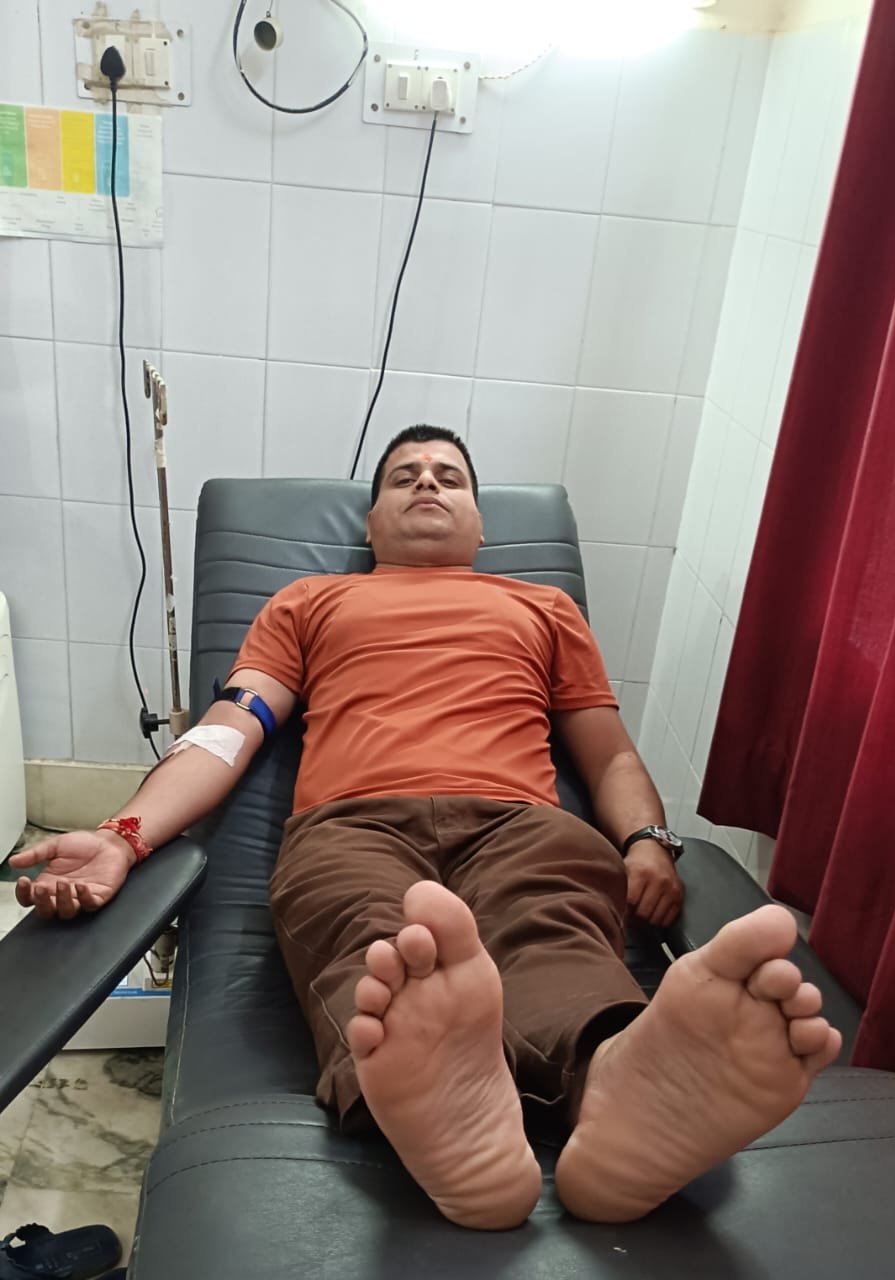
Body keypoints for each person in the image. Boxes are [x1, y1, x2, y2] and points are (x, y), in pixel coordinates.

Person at [11, 425, 842, 1231]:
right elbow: (228, 731)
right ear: (370, 525)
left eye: (450, 477)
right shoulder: (310, 601)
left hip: (522, 823)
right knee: (373, 941)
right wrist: (122, 835)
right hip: (352, 823)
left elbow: (611, 754)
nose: (427, 484)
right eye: (403, 477)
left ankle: (621, 1084)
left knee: (553, 930)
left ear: (480, 526)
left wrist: (645, 840)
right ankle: (440, 1095)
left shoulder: (543, 607)